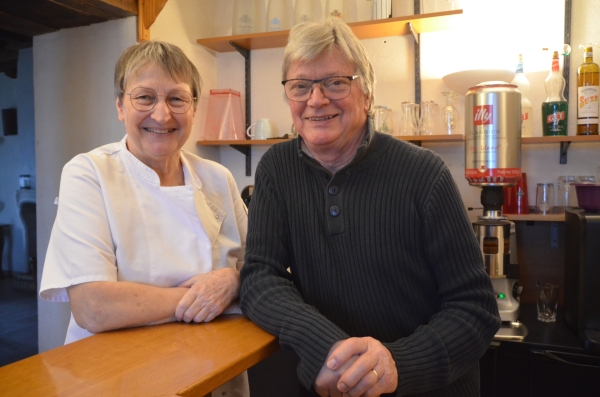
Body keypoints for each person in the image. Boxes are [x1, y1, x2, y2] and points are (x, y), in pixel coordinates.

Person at [239, 18, 501, 397]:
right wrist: (327, 349)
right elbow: (260, 278)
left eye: (335, 82)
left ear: (367, 92)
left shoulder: (424, 173)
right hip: (334, 383)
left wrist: (394, 365)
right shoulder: (277, 170)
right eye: (300, 86)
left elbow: (475, 309)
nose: (316, 99)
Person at [39, 41, 249, 397]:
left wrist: (232, 280)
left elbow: (260, 268)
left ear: (194, 108)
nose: (162, 115)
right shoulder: (89, 173)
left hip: (215, 368)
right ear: (120, 106)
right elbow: (93, 306)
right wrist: (207, 297)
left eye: (177, 99)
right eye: (145, 97)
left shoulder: (217, 177)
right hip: (118, 376)